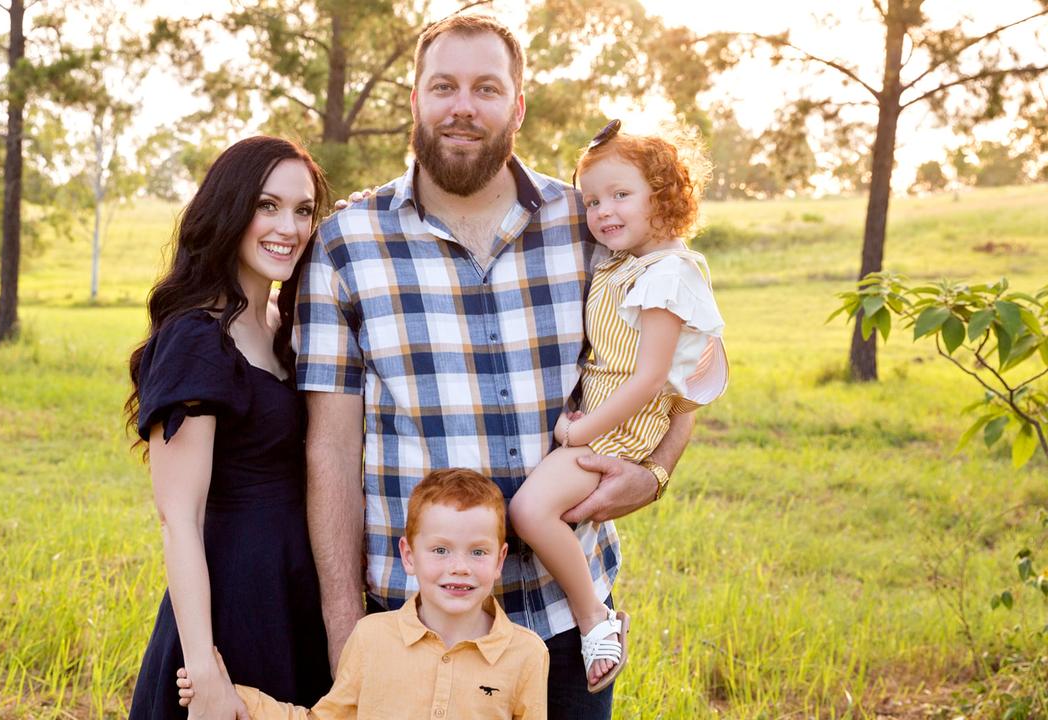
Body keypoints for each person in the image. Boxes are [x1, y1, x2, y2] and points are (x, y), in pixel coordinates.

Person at [296, 13, 695, 718]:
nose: (462, 106)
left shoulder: (590, 225)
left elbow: (689, 355)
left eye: (486, 88)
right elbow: (330, 450)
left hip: (566, 618)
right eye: (443, 86)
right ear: (414, 100)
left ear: (517, 106)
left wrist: (656, 470)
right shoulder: (346, 244)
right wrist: (344, 634)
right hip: (414, 623)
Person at [508, 122, 727, 693]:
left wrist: (582, 434)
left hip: (622, 427)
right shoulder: (622, 262)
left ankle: (595, 620)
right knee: (538, 512)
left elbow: (651, 375)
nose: (603, 211)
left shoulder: (668, 275)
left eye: (620, 195)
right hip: (603, 414)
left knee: (530, 512)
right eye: (592, 201)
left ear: (665, 195)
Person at [125, 135, 333, 719]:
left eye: (302, 210)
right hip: (236, 595)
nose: (288, 227)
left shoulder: (283, 322)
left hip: (299, 587)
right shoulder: (197, 338)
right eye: (267, 206)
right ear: (231, 209)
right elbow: (179, 520)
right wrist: (205, 670)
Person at [179, 469, 550, 719]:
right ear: (409, 555)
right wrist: (233, 698)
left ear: (500, 559)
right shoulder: (373, 638)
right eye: (440, 550)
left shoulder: (526, 654)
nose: (460, 566)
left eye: (478, 552)